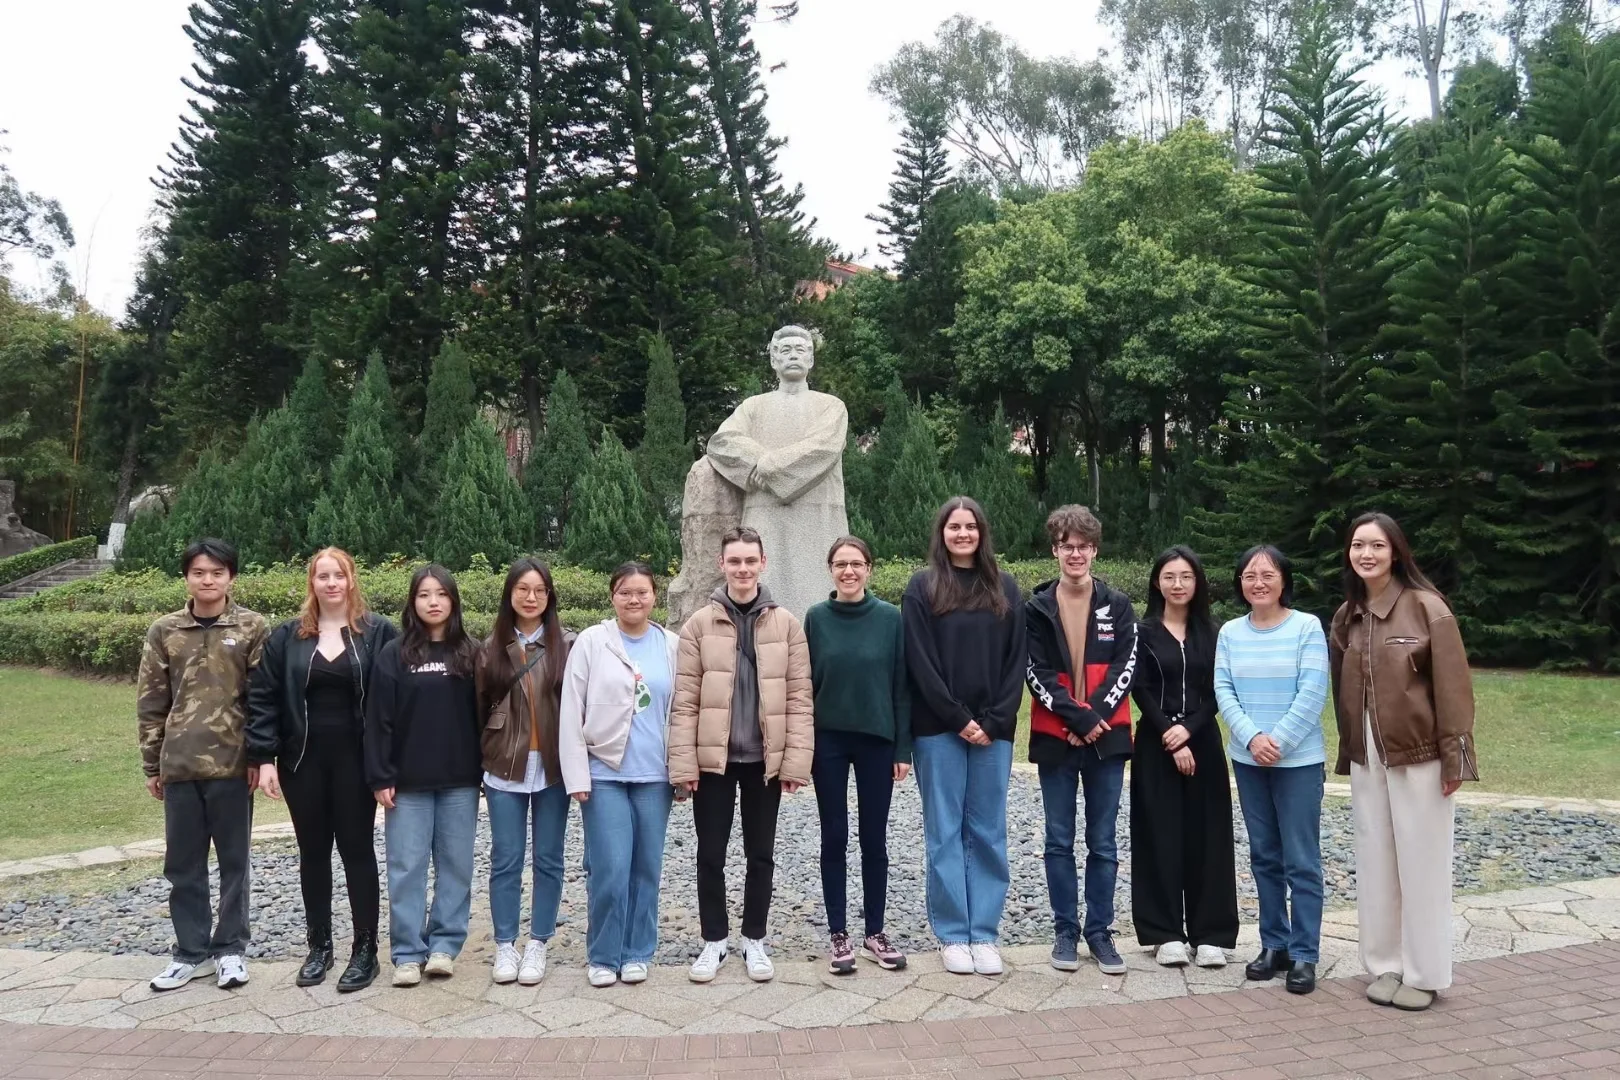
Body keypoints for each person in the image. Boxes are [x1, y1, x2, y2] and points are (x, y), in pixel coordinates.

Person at [1330, 512, 1478, 1012]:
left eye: (1375, 545)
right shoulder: (1347, 614)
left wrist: (1454, 759)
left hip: (1421, 757)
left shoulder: (1427, 607)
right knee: (1376, 863)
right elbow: (1342, 686)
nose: (1365, 554)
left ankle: (1425, 972)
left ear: (1396, 551)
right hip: (1368, 755)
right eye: (1357, 546)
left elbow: (1454, 689)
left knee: (1423, 865)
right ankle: (1385, 964)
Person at [246, 547, 397, 992]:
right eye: (322, 576)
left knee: (357, 852)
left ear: (352, 581)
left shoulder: (378, 633)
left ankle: (365, 950)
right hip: (301, 762)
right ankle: (319, 946)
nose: (331, 583)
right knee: (313, 853)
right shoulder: (288, 637)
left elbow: (393, 701)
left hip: (356, 763)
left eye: (339, 575)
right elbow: (263, 699)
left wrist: (389, 764)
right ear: (311, 583)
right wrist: (263, 758)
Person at [669, 525, 814, 984]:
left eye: (751, 560)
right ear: (722, 565)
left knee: (761, 854)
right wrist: (683, 765)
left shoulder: (786, 624)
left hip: (763, 763)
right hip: (714, 762)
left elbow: (798, 699)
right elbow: (685, 700)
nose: (743, 569)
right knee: (710, 853)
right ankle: (714, 939)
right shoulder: (698, 624)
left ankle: (754, 937)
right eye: (735, 561)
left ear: (762, 563)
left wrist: (794, 763)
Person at [137, 538, 269, 992]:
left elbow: (261, 700)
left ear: (231, 576)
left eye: (216, 572)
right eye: (199, 572)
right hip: (181, 766)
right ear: (187, 577)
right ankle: (190, 952)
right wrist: (153, 764)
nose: (208, 580)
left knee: (235, 863)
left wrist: (258, 756)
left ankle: (230, 949)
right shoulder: (165, 630)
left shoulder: (252, 627)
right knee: (183, 865)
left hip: (234, 767)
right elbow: (152, 702)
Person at [904, 496, 1026, 977]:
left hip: (994, 731)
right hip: (939, 729)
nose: (962, 534)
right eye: (954, 527)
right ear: (942, 533)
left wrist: (994, 720)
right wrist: (958, 718)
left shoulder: (1005, 588)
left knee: (989, 832)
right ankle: (955, 934)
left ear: (981, 533)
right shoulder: (923, 587)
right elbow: (920, 663)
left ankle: (985, 934)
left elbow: (1017, 661)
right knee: (945, 832)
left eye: (970, 526)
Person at [1024, 506, 1139, 976]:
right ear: (1055, 550)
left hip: (1107, 739)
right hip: (1056, 737)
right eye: (1066, 545)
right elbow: (1035, 673)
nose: (1075, 553)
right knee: (1057, 840)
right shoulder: (1035, 608)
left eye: (1083, 545)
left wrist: (1093, 720)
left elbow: (1125, 667)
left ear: (1095, 549)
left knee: (1103, 841)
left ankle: (1100, 931)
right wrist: (1076, 717)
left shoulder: (1119, 603)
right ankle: (1065, 929)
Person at [1216, 545, 1331, 995]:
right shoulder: (1230, 632)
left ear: (1284, 579)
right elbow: (1223, 688)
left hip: (1297, 761)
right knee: (1264, 855)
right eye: (1249, 575)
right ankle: (1273, 944)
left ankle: (1304, 953)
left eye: (1267, 574)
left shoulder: (1306, 627)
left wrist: (1277, 741)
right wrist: (1251, 739)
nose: (1258, 582)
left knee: (1302, 859)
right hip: (1248, 760)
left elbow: (1313, 690)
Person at [559, 562, 680, 988]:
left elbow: (681, 712)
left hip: (654, 775)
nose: (634, 599)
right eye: (625, 592)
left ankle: (637, 951)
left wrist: (682, 771)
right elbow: (572, 708)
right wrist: (576, 776)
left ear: (654, 596)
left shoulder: (671, 644)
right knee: (610, 868)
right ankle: (604, 953)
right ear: (612, 595)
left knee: (646, 867)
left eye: (643, 592)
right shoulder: (593, 641)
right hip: (605, 772)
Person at [364, 564, 482, 988]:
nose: (433, 602)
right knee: (406, 867)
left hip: (460, 782)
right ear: (412, 603)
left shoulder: (471, 652)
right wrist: (380, 776)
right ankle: (407, 953)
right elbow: (378, 721)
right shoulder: (393, 655)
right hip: (407, 784)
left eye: (441, 594)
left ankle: (444, 947)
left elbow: (486, 718)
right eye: (424, 595)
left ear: (453, 600)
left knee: (456, 867)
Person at [803, 535, 911, 975]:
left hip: (877, 740)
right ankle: (838, 934)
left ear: (870, 568)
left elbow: (902, 686)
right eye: (841, 564)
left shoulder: (890, 619)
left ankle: (874, 931)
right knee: (834, 835)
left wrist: (903, 747)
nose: (849, 571)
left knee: (874, 839)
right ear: (830, 569)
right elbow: (803, 686)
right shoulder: (816, 618)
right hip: (828, 740)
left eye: (857, 563)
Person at [1129, 546, 1238, 969]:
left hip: (1204, 741)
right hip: (1156, 742)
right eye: (1170, 576)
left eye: (1186, 577)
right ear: (1158, 582)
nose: (1178, 584)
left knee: (1208, 835)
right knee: (1159, 834)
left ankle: (1211, 933)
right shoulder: (1142, 632)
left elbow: (1220, 691)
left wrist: (1189, 730)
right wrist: (1171, 737)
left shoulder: (1216, 633)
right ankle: (1164, 932)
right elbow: (1137, 687)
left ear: (1198, 583)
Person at [475, 558, 573, 987]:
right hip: (504, 767)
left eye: (539, 590)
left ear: (549, 596)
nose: (531, 597)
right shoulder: (489, 648)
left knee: (549, 859)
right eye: (522, 589)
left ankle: (538, 942)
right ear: (509, 594)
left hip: (553, 768)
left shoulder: (567, 646)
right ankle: (505, 944)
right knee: (506, 859)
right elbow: (476, 710)